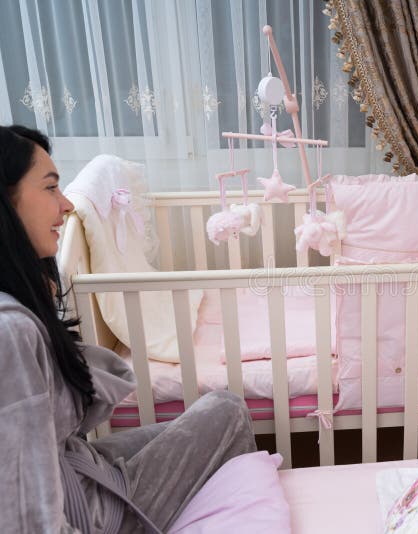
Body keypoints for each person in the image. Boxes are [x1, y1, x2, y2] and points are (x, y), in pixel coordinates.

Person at [0, 125, 256, 533]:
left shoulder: (18, 309)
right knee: (227, 408)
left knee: (202, 421)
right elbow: (30, 516)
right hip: (91, 517)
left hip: (77, 469)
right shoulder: (10, 333)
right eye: (50, 189)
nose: (65, 206)